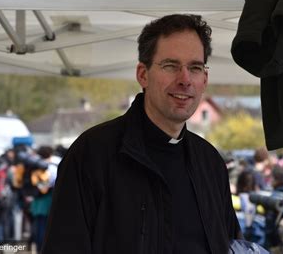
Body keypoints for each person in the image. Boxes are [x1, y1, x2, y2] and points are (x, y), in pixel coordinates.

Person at [43, 14, 241, 253]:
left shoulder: (210, 163)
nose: (185, 79)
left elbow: (232, 245)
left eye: (195, 68)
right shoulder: (92, 155)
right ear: (142, 74)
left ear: (205, 79)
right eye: (171, 66)